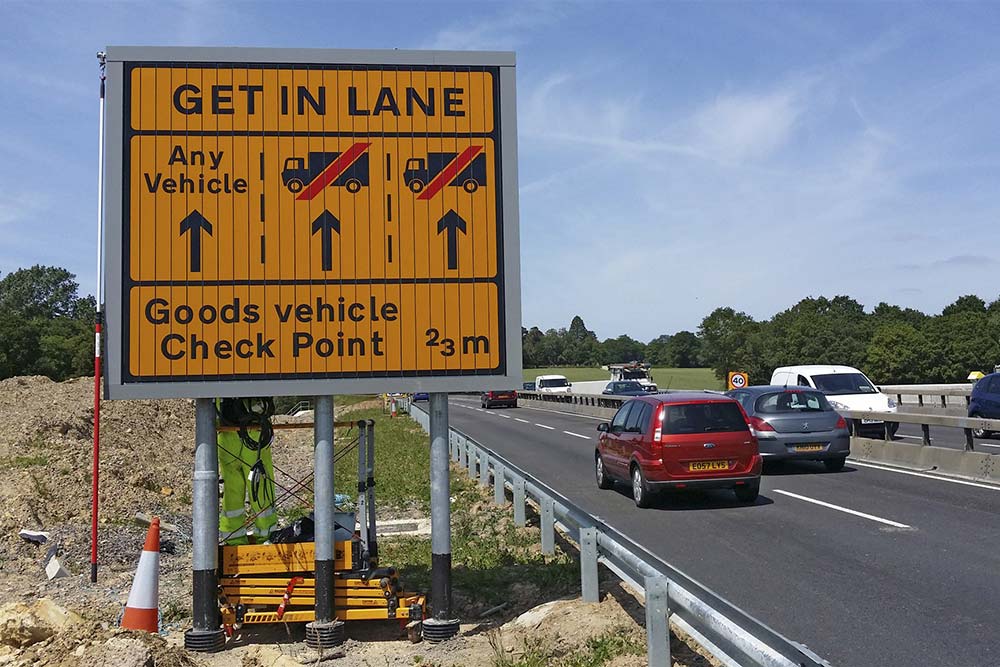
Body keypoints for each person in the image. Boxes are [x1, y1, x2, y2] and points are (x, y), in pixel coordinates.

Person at [216, 397, 277, 545]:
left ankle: (234, 538)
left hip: (229, 432)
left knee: (235, 489)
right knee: (259, 486)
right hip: (250, 430)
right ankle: (265, 535)